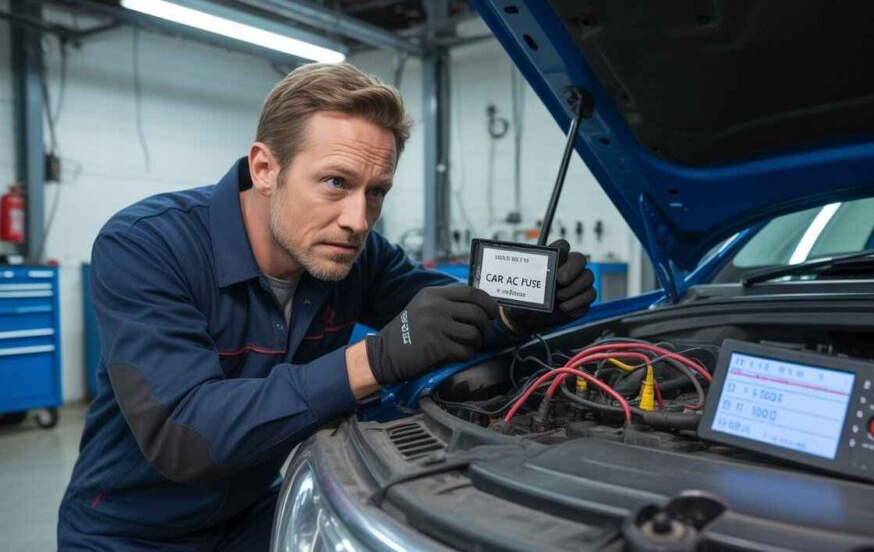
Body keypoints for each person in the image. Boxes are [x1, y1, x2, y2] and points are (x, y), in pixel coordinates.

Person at [57, 62, 595, 550]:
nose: (358, 221)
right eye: (335, 183)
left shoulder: (355, 256)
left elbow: (442, 319)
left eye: (376, 192)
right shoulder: (146, 246)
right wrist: (373, 360)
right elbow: (185, 437)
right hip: (128, 534)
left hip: (254, 519)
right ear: (265, 168)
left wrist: (512, 315)